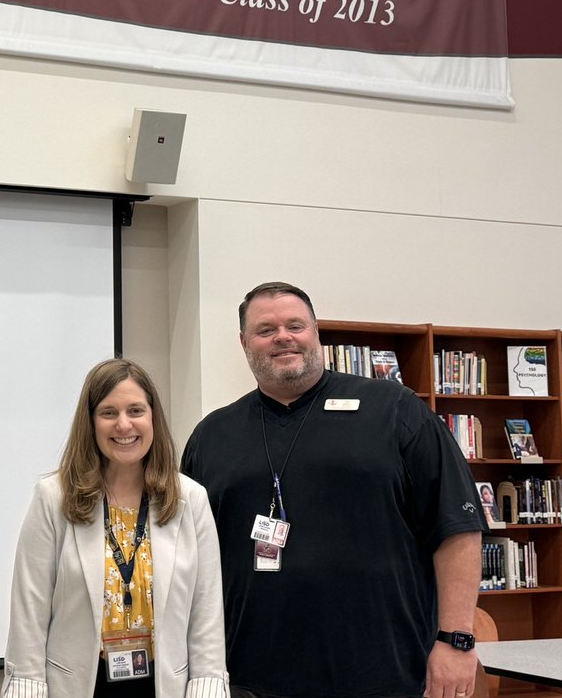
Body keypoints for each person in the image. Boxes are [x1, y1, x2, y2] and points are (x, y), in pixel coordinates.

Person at [181, 282, 486, 698]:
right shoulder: (212, 437)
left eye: (295, 325)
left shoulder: (395, 410)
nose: (283, 337)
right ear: (244, 342)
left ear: (316, 332)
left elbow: (458, 527)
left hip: (383, 673)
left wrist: (456, 641)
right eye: (265, 329)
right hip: (248, 678)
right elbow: (189, 559)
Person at [2, 358, 229, 698]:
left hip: (166, 686)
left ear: (153, 418)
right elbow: (29, 611)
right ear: (91, 422)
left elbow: (206, 612)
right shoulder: (54, 498)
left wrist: (208, 684)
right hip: (79, 686)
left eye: (136, 410)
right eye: (109, 413)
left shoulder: (190, 500)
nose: (124, 425)